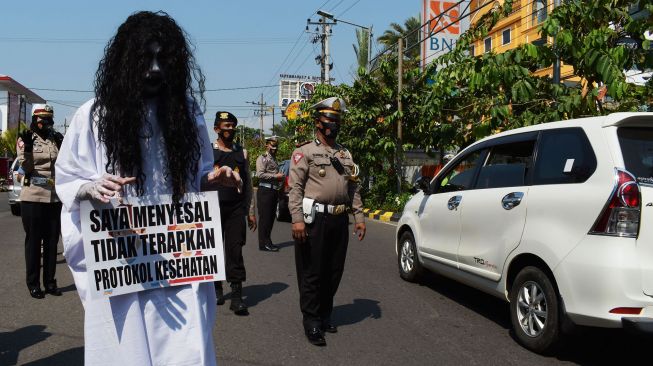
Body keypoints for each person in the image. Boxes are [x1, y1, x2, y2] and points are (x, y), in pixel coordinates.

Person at [54, 11, 240, 366]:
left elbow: (198, 171)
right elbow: (68, 179)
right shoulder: (93, 116)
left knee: (186, 350)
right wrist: (91, 188)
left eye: (162, 59)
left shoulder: (187, 113)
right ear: (126, 61)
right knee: (125, 352)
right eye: (145, 59)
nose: (154, 69)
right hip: (123, 262)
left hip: (180, 265)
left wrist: (211, 178)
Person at [288, 97, 367, 346]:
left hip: (339, 219)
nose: (334, 125)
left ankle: (324, 314)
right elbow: (296, 189)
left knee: (333, 271)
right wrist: (297, 220)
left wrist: (359, 217)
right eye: (329, 120)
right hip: (315, 220)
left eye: (337, 120)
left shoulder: (345, 154)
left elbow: (354, 187)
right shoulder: (304, 152)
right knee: (312, 272)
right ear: (318, 123)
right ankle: (311, 321)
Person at [17, 105, 64, 299]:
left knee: (52, 242)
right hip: (33, 197)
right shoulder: (26, 139)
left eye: (49, 119)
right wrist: (28, 149)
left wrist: (63, 146)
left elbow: (63, 165)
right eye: (43, 119)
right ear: (35, 120)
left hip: (53, 197)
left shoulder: (55, 139)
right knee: (34, 242)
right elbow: (26, 168)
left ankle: (50, 282)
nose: (47, 123)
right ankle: (33, 283)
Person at [212, 111, 256, 315]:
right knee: (212, 250)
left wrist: (251, 211)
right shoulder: (208, 152)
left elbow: (248, 184)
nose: (229, 130)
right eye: (225, 126)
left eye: (231, 126)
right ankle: (215, 288)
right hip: (211, 208)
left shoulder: (242, 153)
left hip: (236, 209)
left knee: (235, 250)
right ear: (216, 129)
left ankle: (237, 295)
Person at [256, 135, 283, 252]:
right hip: (265, 191)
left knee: (271, 218)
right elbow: (260, 174)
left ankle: (268, 241)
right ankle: (263, 243)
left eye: (276, 146)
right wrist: (275, 176)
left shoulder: (273, 159)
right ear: (267, 145)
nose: (275, 148)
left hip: (273, 190)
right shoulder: (262, 158)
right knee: (265, 219)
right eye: (272, 146)